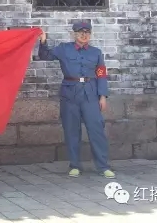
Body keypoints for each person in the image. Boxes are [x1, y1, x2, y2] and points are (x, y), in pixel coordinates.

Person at [38, 21, 115, 179]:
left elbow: (101, 74)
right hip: (70, 94)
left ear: (90, 34)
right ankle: (74, 165)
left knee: (96, 130)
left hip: (90, 95)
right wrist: (43, 41)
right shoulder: (64, 49)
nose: (84, 35)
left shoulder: (96, 52)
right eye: (80, 32)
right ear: (74, 34)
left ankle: (103, 166)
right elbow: (44, 56)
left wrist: (102, 96)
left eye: (87, 32)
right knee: (72, 131)